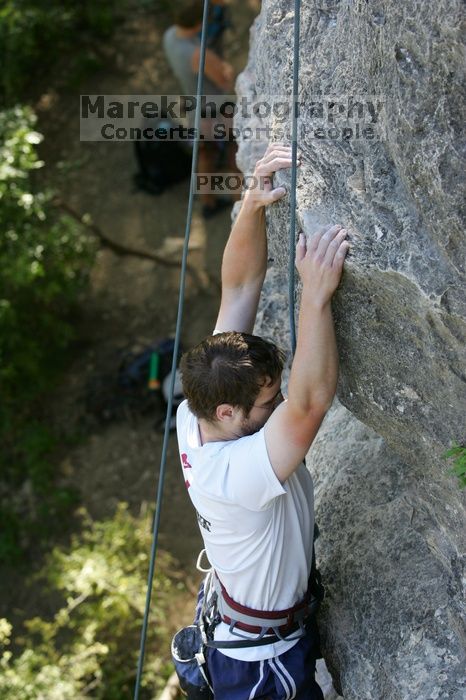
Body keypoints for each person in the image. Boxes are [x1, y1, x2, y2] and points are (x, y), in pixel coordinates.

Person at [176, 142, 349, 698]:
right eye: (265, 405)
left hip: (248, 619)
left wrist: (251, 204)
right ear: (229, 412)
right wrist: (315, 298)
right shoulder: (234, 474)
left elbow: (240, 287)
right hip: (262, 665)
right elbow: (309, 402)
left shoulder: (200, 403)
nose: (274, 409)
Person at [163, 0, 238, 218]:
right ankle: (238, 205)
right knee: (234, 156)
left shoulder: (169, 36)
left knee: (205, 153)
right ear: (199, 23)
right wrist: (227, 69)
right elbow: (225, 81)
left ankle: (208, 202)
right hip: (214, 111)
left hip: (193, 107)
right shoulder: (199, 53)